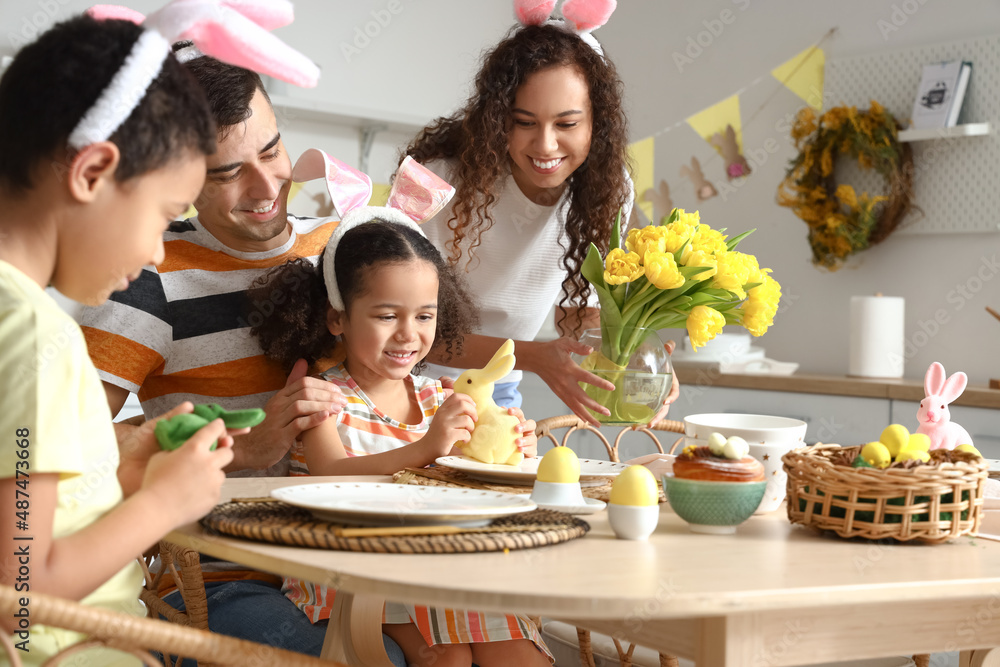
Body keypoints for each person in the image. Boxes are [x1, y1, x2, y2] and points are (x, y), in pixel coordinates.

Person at [76, 31, 409, 667]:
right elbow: (71, 456)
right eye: (227, 172)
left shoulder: (344, 245)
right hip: (224, 581)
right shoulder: (147, 271)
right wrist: (246, 451)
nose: (265, 187)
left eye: (273, 149)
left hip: (363, 557)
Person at [0, 12, 238, 666]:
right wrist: (165, 503)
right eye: (165, 216)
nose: (159, 253)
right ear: (93, 171)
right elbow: (19, 591)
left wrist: (119, 477)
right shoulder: (32, 333)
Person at [251, 203, 551, 666]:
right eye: (387, 316)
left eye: (425, 316)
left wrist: (512, 450)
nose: (408, 335)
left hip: (440, 566)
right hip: (350, 570)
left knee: (517, 653)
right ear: (338, 320)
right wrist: (427, 447)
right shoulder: (324, 397)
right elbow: (332, 474)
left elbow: (474, 480)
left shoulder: (440, 395)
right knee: (447, 657)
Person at [404, 3, 680, 425]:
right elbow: (401, 329)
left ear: (597, 124)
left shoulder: (608, 188)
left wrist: (637, 355)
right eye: (524, 122)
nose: (545, 145)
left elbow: (577, 314)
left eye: (566, 124)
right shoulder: (439, 182)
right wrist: (533, 356)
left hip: (501, 386)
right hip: (407, 383)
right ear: (499, 120)